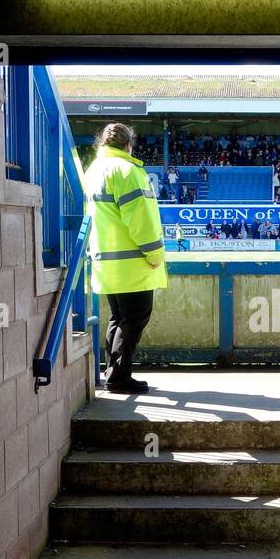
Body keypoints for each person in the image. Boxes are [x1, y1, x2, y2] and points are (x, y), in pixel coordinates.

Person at [83, 122, 167, 395]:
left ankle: (114, 373)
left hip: (106, 261)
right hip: (132, 264)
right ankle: (118, 377)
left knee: (118, 319)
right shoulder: (128, 171)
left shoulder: (94, 170)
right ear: (128, 145)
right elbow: (140, 220)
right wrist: (155, 254)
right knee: (134, 319)